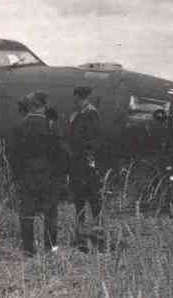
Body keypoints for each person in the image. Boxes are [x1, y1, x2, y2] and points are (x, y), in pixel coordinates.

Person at [9, 91, 60, 257]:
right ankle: (51, 249)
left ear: (30, 106)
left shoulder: (19, 127)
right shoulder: (51, 127)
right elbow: (59, 154)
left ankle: (28, 250)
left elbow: (13, 155)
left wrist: (17, 176)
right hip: (48, 175)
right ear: (43, 106)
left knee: (26, 213)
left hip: (26, 176)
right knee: (50, 213)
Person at [68, 86, 103, 250]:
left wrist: (89, 157)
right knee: (79, 197)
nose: (74, 100)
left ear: (79, 97)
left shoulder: (90, 113)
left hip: (86, 162)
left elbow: (93, 139)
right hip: (77, 162)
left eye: (76, 97)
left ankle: (97, 232)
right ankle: (81, 233)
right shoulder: (78, 114)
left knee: (92, 196)